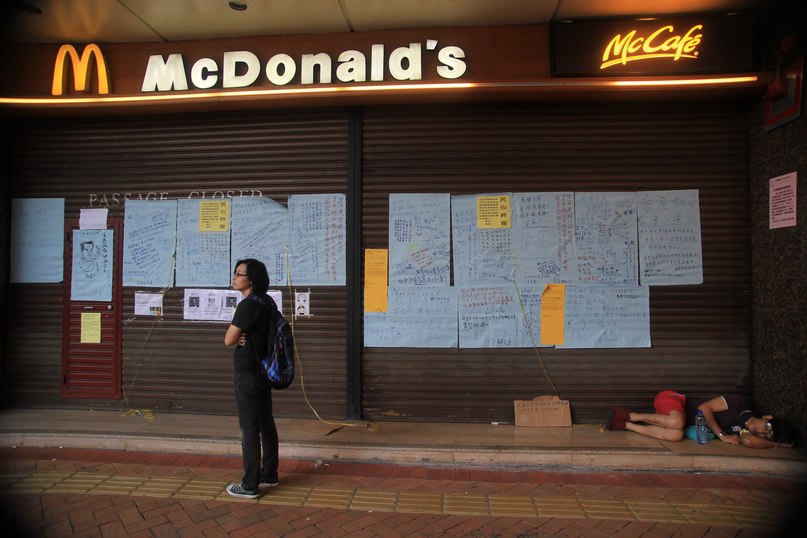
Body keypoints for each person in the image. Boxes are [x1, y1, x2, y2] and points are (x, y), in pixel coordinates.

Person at [224, 258, 280, 499]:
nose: (234, 277)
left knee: (249, 430)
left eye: (239, 274)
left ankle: (249, 485)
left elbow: (228, 339)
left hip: (247, 373)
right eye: (235, 273)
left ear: (252, 280)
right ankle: (269, 474)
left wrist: (239, 337)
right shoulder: (268, 302)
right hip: (264, 372)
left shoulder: (247, 306)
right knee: (266, 424)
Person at [606, 390, 798, 448]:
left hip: (677, 420)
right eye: (768, 426)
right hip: (673, 400)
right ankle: (631, 414)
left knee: (676, 435)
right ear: (767, 417)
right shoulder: (740, 403)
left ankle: (627, 425)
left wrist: (777, 444)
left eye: (768, 434)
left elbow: (748, 441)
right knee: (677, 423)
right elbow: (703, 408)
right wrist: (721, 434)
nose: (763, 431)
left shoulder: (744, 432)